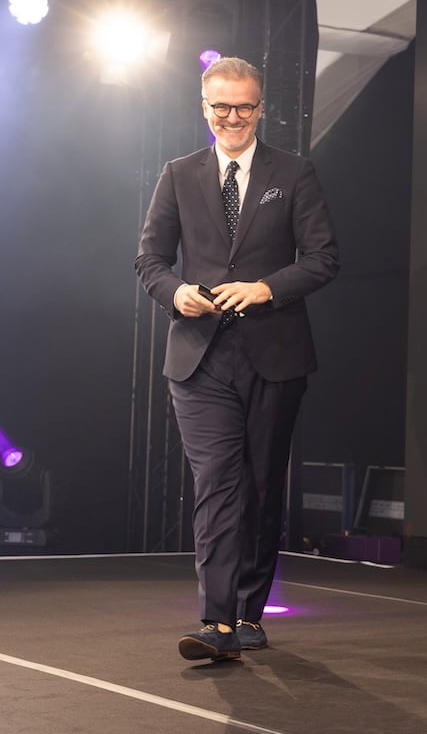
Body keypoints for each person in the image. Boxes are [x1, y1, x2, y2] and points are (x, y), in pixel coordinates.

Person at [136, 56, 339, 661]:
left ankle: (251, 612)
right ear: (204, 108)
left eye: (243, 107)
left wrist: (265, 288)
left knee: (260, 486)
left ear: (260, 108)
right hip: (198, 359)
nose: (232, 117)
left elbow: (323, 258)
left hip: (274, 354)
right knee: (218, 484)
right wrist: (176, 293)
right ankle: (218, 621)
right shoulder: (178, 174)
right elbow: (150, 260)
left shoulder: (294, 172)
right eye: (221, 107)